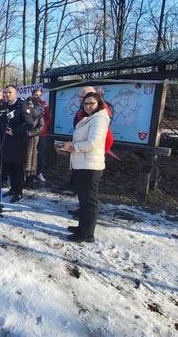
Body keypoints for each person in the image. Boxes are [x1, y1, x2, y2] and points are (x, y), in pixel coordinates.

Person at [63, 92, 110, 243]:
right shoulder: (90, 118)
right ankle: (82, 227)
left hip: (90, 166)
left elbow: (92, 143)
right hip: (83, 164)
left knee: (89, 201)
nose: (88, 106)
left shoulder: (100, 119)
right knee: (83, 199)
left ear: (99, 104)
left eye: (91, 103)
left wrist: (73, 146)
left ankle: (87, 234)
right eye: (85, 103)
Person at [0, 85, 33, 203]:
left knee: (17, 169)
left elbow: (29, 123)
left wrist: (15, 131)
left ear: (16, 93)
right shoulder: (3, 106)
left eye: (9, 92)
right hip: (6, 143)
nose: (6, 95)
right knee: (9, 168)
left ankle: (19, 192)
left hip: (18, 143)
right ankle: (13, 189)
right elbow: (0, 125)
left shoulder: (21, 105)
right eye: (5, 92)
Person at [24, 96, 45, 189]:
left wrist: (30, 133)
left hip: (33, 139)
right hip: (22, 139)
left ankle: (30, 180)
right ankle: (23, 179)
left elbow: (40, 127)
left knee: (31, 160)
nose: (29, 106)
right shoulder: (24, 113)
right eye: (28, 104)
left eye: (31, 104)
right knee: (23, 159)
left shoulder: (39, 114)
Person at [32, 89, 51, 183]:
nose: (37, 97)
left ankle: (39, 173)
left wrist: (43, 126)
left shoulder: (44, 105)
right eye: (36, 95)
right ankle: (28, 173)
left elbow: (48, 118)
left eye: (39, 95)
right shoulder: (28, 104)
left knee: (40, 154)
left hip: (41, 134)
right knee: (29, 154)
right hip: (31, 134)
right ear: (32, 95)